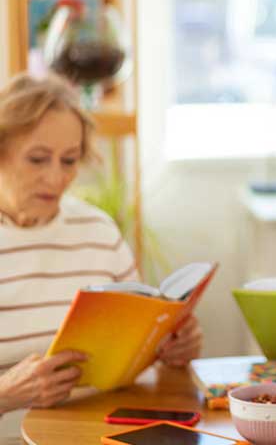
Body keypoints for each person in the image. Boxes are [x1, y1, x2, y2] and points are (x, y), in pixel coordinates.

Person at [0, 74, 202, 441]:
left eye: (69, 160)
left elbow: (141, 343)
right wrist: (5, 394)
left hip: (106, 431)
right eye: (38, 159)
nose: (56, 177)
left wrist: (171, 348)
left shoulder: (97, 230)